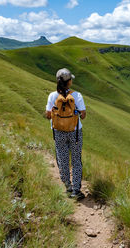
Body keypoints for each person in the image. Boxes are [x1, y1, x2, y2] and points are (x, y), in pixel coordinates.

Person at [45, 68, 86, 200]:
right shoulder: (77, 95)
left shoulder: (52, 96)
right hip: (75, 133)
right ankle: (76, 190)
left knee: (62, 159)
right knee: (76, 160)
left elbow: (48, 115)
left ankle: (67, 186)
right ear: (69, 82)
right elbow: (83, 115)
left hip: (58, 132)